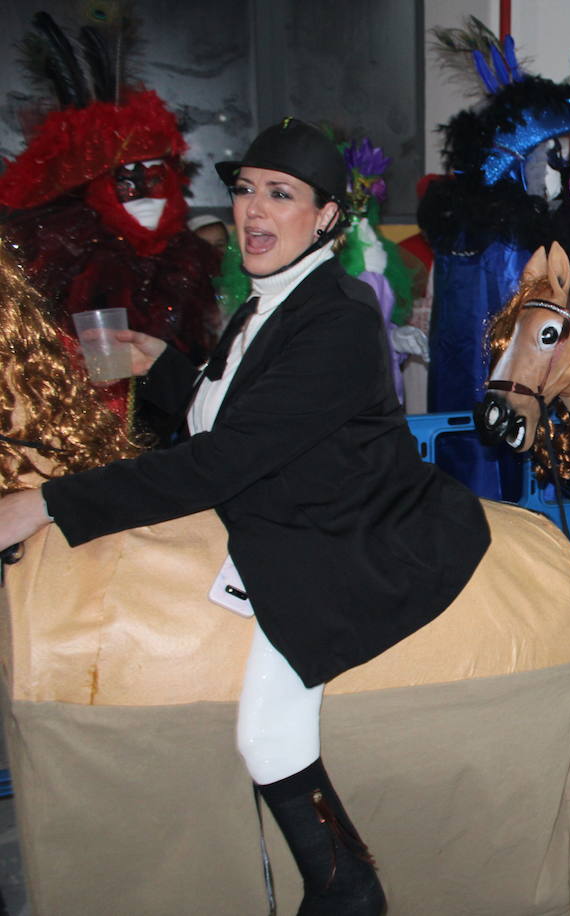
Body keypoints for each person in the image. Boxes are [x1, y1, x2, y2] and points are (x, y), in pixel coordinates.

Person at [0, 118, 492, 910]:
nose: (254, 211)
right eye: (245, 191)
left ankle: (346, 886)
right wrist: (160, 364)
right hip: (277, 501)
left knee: (266, 725)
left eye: (282, 195)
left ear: (328, 217)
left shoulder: (338, 313)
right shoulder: (268, 298)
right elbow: (230, 409)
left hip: (344, 527)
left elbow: (228, 458)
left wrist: (44, 503)